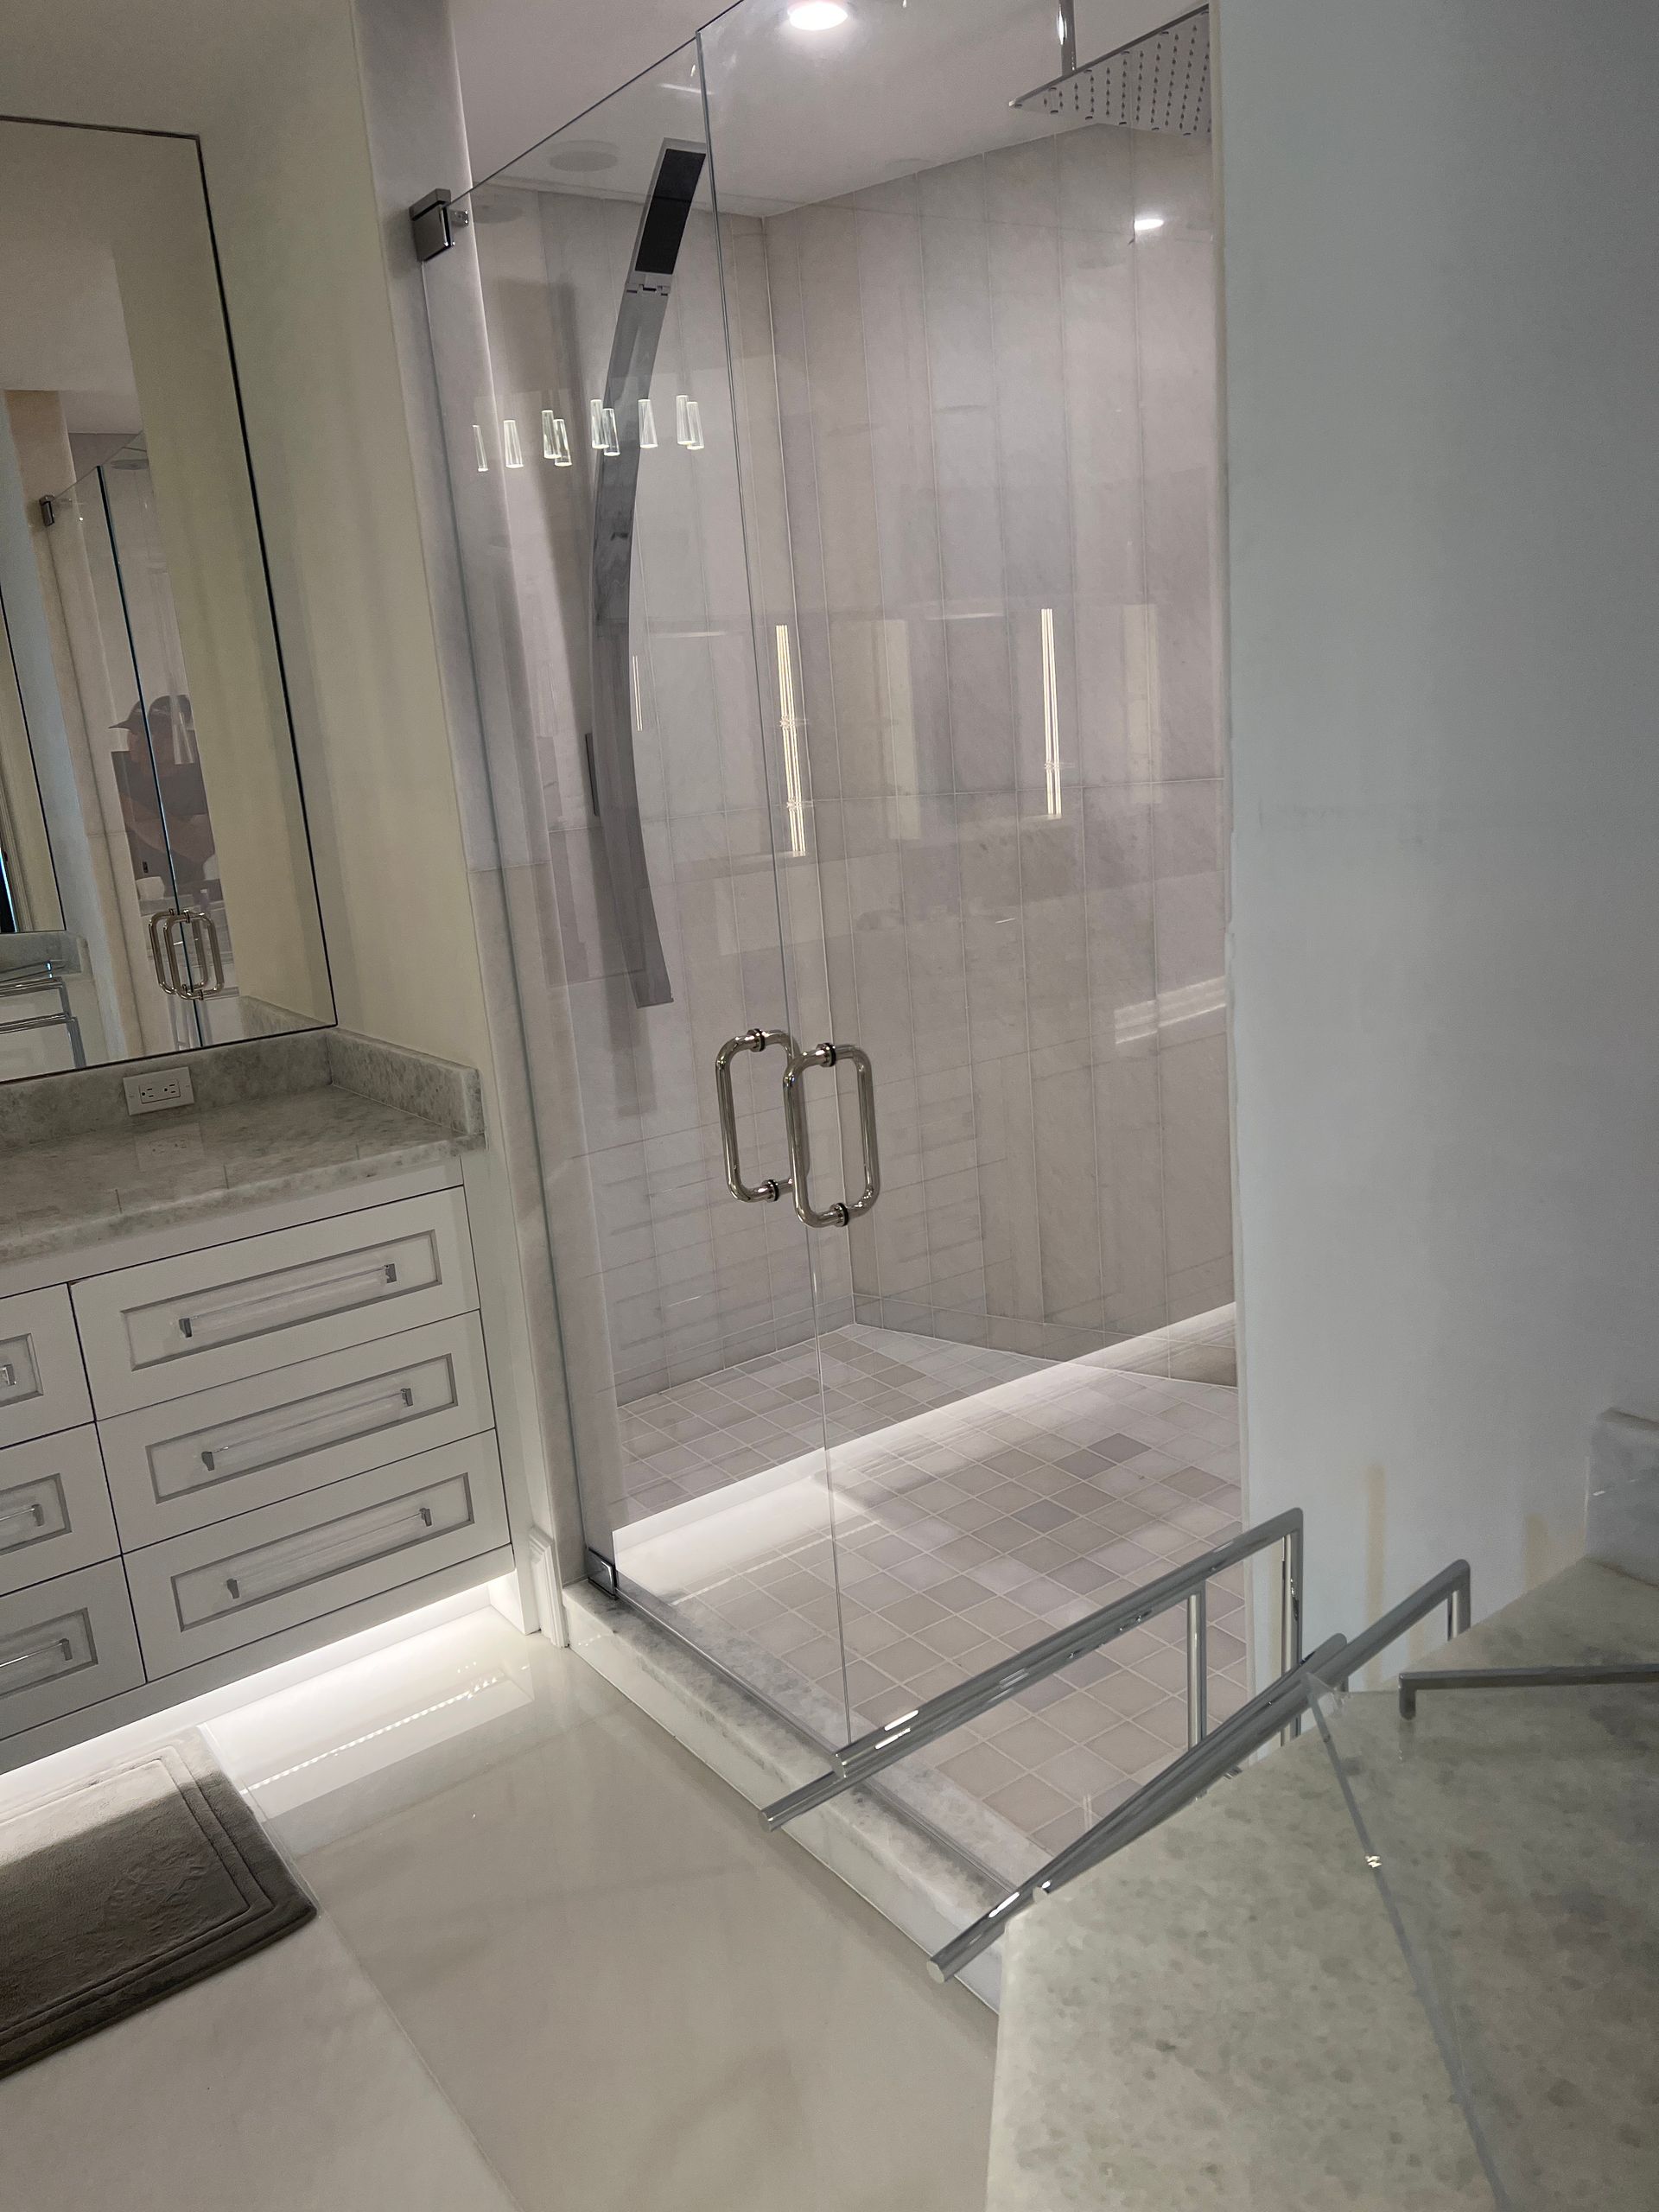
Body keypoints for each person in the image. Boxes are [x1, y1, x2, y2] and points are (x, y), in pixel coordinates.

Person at [111, 694, 217, 894]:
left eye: (158, 732)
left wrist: (119, 804)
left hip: (188, 895)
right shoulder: (118, 772)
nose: (142, 740)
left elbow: (199, 847)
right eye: (135, 731)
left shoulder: (197, 778)